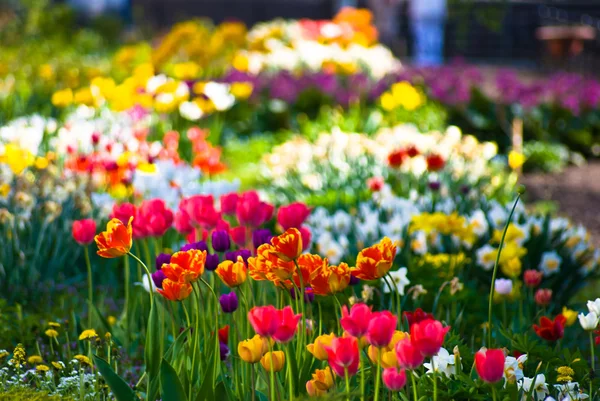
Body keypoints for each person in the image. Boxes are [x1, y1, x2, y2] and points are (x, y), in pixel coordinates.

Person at [409, 0, 447, 65]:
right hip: (423, 13)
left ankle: (433, 61)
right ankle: (424, 61)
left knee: (434, 41)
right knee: (422, 41)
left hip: (432, 13)